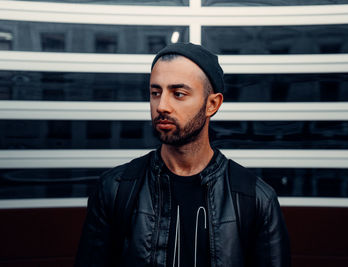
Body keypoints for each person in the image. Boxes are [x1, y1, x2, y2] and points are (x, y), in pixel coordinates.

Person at [75, 42, 290, 267]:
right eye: (155, 93)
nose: (162, 106)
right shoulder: (116, 190)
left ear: (212, 104)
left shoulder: (255, 199)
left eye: (178, 93)